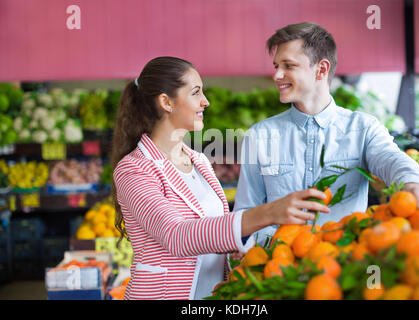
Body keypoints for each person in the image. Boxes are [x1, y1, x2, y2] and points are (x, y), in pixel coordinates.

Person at [111, 56, 330, 300]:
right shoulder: (134, 169)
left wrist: (239, 246)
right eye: (196, 93)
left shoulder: (200, 161)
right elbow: (176, 235)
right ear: (166, 102)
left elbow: (214, 231)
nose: (206, 101)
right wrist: (269, 213)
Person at [233, 22, 419, 245]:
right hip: (277, 267)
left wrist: (411, 182)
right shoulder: (259, 136)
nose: (277, 75)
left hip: (342, 265)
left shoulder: (363, 128)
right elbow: (246, 210)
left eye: (288, 65)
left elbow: (391, 159)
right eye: (276, 65)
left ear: (321, 69)